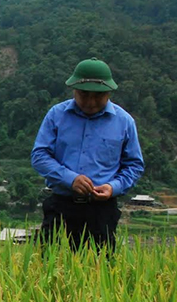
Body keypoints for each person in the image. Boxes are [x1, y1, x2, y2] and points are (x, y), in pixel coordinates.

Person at [31, 57, 145, 252]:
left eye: (98, 96)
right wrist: (70, 179)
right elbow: (40, 155)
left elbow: (134, 166)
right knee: (50, 267)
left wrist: (113, 187)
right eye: (84, 95)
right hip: (61, 206)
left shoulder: (124, 122)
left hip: (101, 211)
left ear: (109, 92)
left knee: (99, 270)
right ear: (74, 90)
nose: (91, 102)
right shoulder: (56, 115)